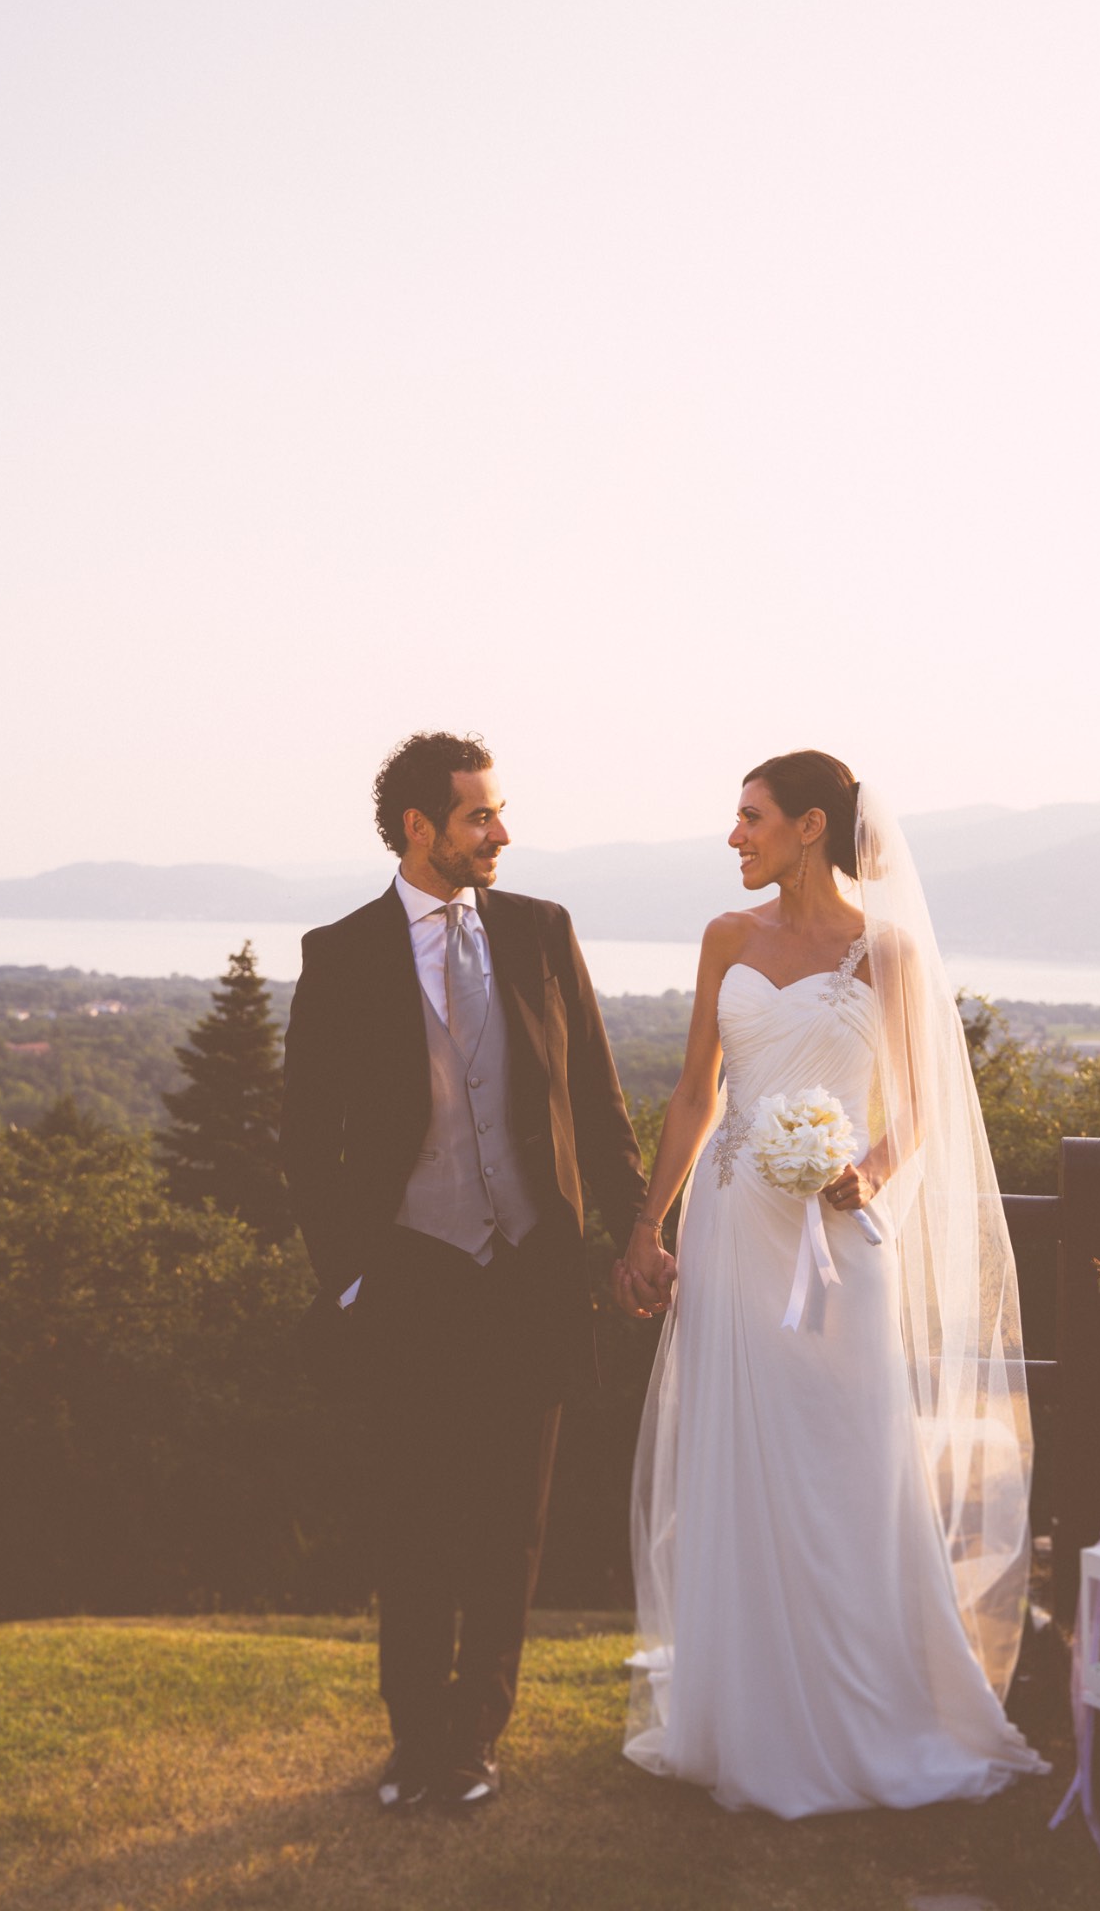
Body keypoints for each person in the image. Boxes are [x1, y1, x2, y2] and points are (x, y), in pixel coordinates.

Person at [615, 751, 1048, 1816]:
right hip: (730, 1232)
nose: (735, 836)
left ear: (811, 825)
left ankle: (870, 1705)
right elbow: (693, 1096)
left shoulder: (887, 951)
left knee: (849, 1462)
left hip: (837, 1237)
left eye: (751, 817)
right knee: (740, 1459)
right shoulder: (728, 937)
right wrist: (646, 1225)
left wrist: (867, 1174)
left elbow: (923, 1109)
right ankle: (746, 1709)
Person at [280, 731, 647, 1811]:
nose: (501, 831)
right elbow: (306, 1136)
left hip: (530, 1271)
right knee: (413, 1516)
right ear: (419, 829)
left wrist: (632, 1227)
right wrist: (348, 1273)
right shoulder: (341, 952)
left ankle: (477, 1734)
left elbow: (599, 1101)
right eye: (479, 815)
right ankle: (414, 1737)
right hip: (413, 1276)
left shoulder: (541, 931)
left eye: (497, 812)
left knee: (511, 1520)